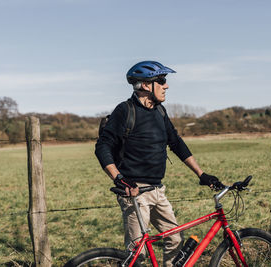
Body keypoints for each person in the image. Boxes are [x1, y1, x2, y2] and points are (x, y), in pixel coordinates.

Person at [95, 60, 223, 267]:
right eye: (161, 81)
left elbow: (176, 143)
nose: (166, 86)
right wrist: (119, 179)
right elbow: (102, 147)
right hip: (135, 193)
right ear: (146, 85)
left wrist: (201, 174)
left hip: (157, 190)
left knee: (175, 239)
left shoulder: (160, 112)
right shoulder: (125, 110)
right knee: (138, 254)